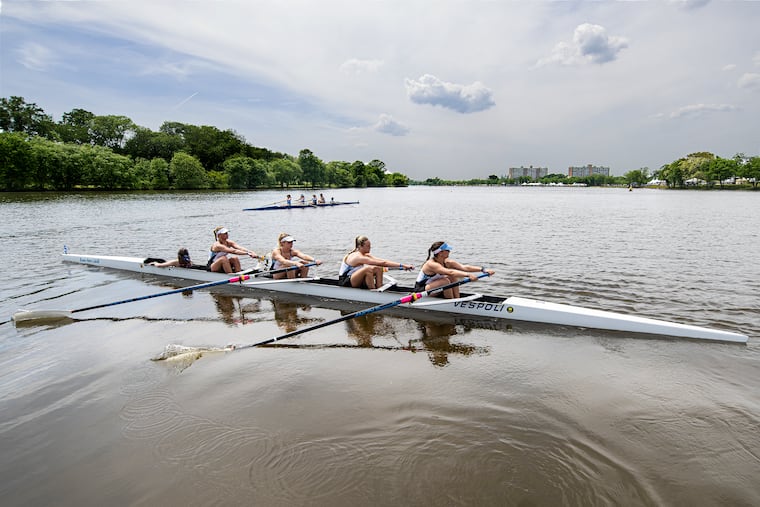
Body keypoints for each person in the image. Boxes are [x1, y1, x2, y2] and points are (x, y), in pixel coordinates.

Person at [413, 241, 495, 298]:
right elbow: (450, 271)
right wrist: (468, 275)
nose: (449, 251)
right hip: (421, 291)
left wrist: (483, 269)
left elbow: (464, 267)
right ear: (440, 253)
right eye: (447, 250)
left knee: (452, 278)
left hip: (434, 289)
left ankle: (456, 300)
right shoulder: (431, 264)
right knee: (446, 280)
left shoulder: (447, 262)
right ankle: (451, 303)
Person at [338, 235, 414, 289]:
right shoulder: (358, 257)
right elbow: (384, 263)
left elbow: (383, 262)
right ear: (360, 246)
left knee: (378, 268)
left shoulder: (365, 255)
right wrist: (402, 265)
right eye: (368, 246)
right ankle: (373, 292)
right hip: (345, 281)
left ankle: (379, 288)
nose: (370, 247)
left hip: (354, 279)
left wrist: (403, 266)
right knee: (368, 269)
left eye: (370, 245)